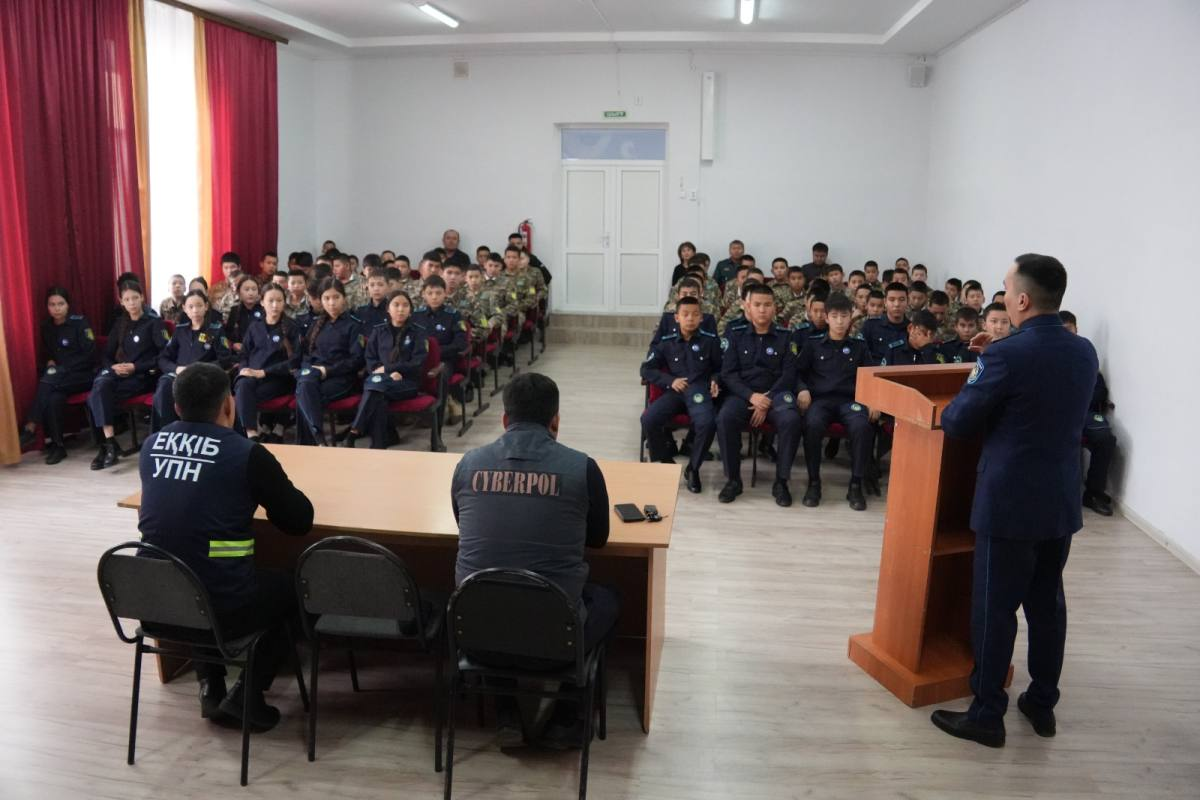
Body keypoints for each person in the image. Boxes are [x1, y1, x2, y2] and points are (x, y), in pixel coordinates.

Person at [930, 253, 1098, 749]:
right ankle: (1042, 703)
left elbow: (958, 421)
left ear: (1021, 299)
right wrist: (999, 355)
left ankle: (986, 714)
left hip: (1008, 503)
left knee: (994, 609)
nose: (1001, 296)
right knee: (1047, 606)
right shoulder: (1083, 350)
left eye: (1005, 289)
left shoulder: (1005, 356)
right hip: (1059, 499)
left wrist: (986, 365)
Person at [138, 362, 313, 731]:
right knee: (297, 588)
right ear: (229, 406)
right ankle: (247, 696)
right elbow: (299, 522)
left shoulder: (152, 445)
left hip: (153, 603)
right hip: (221, 608)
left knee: (193, 570)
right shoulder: (246, 453)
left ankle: (210, 686)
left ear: (177, 407)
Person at [452, 372, 617, 749]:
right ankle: (566, 718)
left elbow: (463, 523)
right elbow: (597, 539)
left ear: (504, 419)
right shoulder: (583, 468)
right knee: (608, 598)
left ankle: (506, 712)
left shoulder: (468, 464)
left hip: (475, 636)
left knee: (493, 590)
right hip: (556, 644)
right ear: (555, 421)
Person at [716, 284, 802, 506]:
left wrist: (767, 399)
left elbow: (789, 374)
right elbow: (728, 373)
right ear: (748, 307)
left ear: (775, 308)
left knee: (791, 420)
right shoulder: (735, 334)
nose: (762, 309)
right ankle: (733, 480)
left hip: (777, 394)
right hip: (743, 395)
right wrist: (752, 397)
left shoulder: (786, 336)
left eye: (767, 305)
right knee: (725, 418)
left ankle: (781, 482)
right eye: (757, 305)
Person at [794, 293, 878, 510]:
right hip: (820, 400)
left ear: (851, 317)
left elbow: (871, 377)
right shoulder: (813, 345)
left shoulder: (859, 346)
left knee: (862, 426)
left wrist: (873, 401)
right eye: (834, 316)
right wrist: (802, 390)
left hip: (850, 401)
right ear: (826, 318)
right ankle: (814, 483)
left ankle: (855, 485)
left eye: (844, 316)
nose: (839, 321)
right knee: (812, 424)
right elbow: (797, 372)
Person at [640, 296, 722, 493]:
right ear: (677, 317)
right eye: (685, 314)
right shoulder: (666, 342)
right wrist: (670, 381)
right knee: (648, 419)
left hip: (699, 393)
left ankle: (693, 469)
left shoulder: (710, 341)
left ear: (701, 317)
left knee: (707, 424)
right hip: (676, 392)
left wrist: (716, 380)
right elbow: (646, 369)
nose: (690, 318)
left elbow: (721, 368)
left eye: (695, 314)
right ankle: (666, 461)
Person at [88, 282, 169, 470]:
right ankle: (109, 444)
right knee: (99, 389)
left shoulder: (153, 322)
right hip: (120, 375)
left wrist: (136, 367)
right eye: (127, 299)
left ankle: (106, 447)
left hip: (143, 376)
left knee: (95, 396)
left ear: (142, 298)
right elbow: (106, 354)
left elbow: (164, 355)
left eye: (135, 298)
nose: (131, 302)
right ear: (121, 302)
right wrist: (113, 366)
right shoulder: (120, 323)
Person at [341, 290, 428, 449]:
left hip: (407, 382)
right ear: (388, 309)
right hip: (381, 380)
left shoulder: (418, 332)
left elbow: (417, 362)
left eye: (405, 305)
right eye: (396, 305)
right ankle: (381, 442)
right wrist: (387, 373)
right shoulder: (378, 331)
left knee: (374, 387)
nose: (400, 309)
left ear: (410, 310)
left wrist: (391, 370)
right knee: (378, 395)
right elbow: (370, 358)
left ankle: (355, 430)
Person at [19, 287, 96, 464]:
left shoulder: (80, 323)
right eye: (52, 304)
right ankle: (58, 446)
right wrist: (50, 361)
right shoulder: (46, 327)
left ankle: (31, 425)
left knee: (51, 380)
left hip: (82, 375)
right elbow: (48, 354)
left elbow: (90, 355)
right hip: (58, 380)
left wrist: (63, 368)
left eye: (60, 304)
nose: (56, 308)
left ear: (68, 305)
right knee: (53, 397)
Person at [294, 278, 365, 446]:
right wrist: (309, 370)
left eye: (336, 297)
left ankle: (312, 442)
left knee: (304, 392)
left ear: (344, 298)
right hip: (313, 377)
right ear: (321, 300)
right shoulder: (316, 325)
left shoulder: (353, 325)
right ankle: (319, 441)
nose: (331, 303)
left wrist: (327, 371)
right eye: (326, 298)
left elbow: (356, 360)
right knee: (305, 386)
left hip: (341, 379)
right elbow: (306, 355)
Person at [1060, 311, 1116, 516]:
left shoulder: (1085, 351)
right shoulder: (1048, 354)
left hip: (1085, 411)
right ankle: (1064, 494)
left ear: (1076, 329)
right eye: (1062, 331)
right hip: (1058, 413)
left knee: (1105, 438)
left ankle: (1094, 493)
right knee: (1066, 436)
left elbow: (1099, 388)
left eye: (1069, 330)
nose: (1067, 335)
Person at [153, 290, 233, 431]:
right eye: (191, 307)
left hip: (203, 377)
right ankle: (166, 432)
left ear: (206, 306)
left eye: (199, 305)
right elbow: (163, 358)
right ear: (184, 308)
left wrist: (198, 369)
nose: (195, 310)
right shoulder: (180, 330)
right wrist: (176, 369)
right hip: (179, 375)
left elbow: (225, 360)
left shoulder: (215, 330)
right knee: (164, 385)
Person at [235, 284, 301, 442]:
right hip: (253, 377)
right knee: (242, 384)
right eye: (270, 301)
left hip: (279, 379)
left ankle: (271, 426)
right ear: (262, 302)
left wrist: (265, 372)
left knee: (246, 395)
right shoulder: (255, 326)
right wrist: (244, 369)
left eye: (279, 300)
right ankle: (251, 433)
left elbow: (295, 360)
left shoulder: (291, 327)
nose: (275, 305)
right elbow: (244, 354)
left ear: (284, 302)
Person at [650, 279, 716, 344]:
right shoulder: (669, 314)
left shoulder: (708, 315)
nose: (688, 297)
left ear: (699, 295)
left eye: (693, 294)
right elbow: (656, 341)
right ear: (678, 296)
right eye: (684, 294)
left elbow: (714, 341)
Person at [861, 282, 910, 361]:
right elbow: (861, 355)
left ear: (908, 302)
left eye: (901, 300)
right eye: (892, 300)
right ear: (885, 302)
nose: (897, 304)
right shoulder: (870, 326)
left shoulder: (912, 329)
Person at [222, 275, 264, 353]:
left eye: (254, 289)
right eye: (246, 289)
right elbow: (227, 335)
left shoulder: (264, 310)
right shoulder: (234, 310)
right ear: (239, 292)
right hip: (238, 354)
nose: (251, 293)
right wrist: (233, 345)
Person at [208, 252, 244, 320]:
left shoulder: (245, 287)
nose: (229, 271)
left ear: (239, 267)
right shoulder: (214, 290)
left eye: (232, 267)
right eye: (226, 268)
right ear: (222, 268)